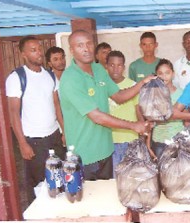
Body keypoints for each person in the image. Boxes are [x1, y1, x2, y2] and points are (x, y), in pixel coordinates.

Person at [59, 30, 155, 180]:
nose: (86, 48)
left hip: (106, 150)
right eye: (80, 45)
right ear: (72, 50)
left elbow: (119, 96)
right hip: (84, 154)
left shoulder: (98, 69)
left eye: (89, 44)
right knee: (88, 200)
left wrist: (142, 83)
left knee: (107, 197)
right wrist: (134, 125)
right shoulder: (70, 78)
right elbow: (96, 116)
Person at [5, 36, 65, 204]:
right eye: (33, 50)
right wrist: (22, 143)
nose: (38, 53)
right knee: (38, 185)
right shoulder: (17, 78)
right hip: (34, 141)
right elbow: (13, 113)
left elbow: (56, 105)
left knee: (58, 180)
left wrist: (63, 130)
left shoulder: (50, 76)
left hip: (54, 137)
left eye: (39, 49)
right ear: (24, 54)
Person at [106, 50, 142, 177]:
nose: (116, 69)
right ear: (106, 66)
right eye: (112, 65)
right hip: (109, 142)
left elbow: (138, 111)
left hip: (130, 140)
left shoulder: (132, 85)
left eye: (119, 65)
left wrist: (142, 134)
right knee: (116, 179)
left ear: (124, 67)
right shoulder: (101, 86)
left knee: (133, 177)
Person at [151, 59, 185, 159]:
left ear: (173, 74)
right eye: (160, 73)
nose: (164, 76)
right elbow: (150, 118)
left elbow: (186, 119)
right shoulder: (152, 94)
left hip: (177, 140)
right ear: (156, 75)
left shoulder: (181, 93)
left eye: (167, 73)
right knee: (161, 172)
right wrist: (148, 144)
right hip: (159, 141)